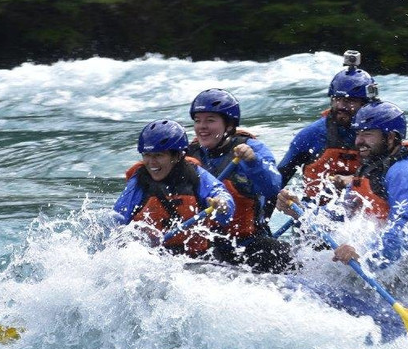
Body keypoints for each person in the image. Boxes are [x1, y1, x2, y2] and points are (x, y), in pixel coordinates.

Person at [278, 100, 408, 273]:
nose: (358, 141)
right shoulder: (371, 167)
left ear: (390, 138)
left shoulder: (405, 172)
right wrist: (300, 211)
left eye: (368, 134)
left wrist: (365, 257)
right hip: (400, 257)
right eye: (358, 133)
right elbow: (341, 213)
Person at [187, 88, 293, 273]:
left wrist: (253, 162)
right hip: (206, 245)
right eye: (198, 120)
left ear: (229, 125)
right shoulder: (187, 155)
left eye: (210, 120)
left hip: (249, 243)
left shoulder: (252, 149)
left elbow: (273, 187)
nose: (201, 126)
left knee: (283, 255)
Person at [112, 119, 234, 256]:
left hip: (196, 258)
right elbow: (117, 219)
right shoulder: (139, 182)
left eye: (158, 155)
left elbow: (220, 195)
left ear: (177, 156)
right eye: (147, 155)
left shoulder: (196, 176)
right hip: (151, 257)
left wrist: (222, 204)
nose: (151, 162)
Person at [277, 51, 376, 202]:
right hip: (315, 211)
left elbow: (391, 179)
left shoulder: (380, 136)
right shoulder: (311, 135)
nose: (341, 106)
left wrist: (353, 180)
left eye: (350, 101)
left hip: (365, 211)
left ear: (366, 104)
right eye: (337, 99)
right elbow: (277, 182)